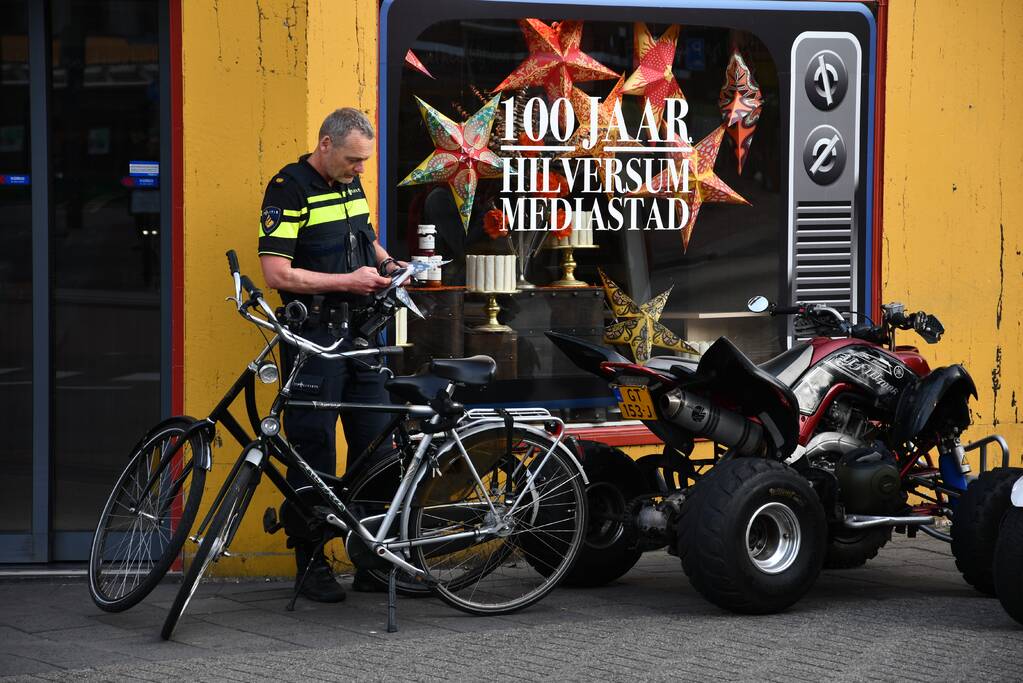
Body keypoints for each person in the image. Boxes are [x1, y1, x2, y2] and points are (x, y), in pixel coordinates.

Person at [258, 108, 401, 603]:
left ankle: (371, 561)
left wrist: (386, 262)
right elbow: (276, 274)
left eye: (364, 161)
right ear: (325, 144)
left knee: (378, 451)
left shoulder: (347, 181)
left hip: (360, 337)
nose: (360, 169)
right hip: (313, 341)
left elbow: (362, 237)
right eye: (353, 159)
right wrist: (348, 281)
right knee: (312, 450)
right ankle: (312, 563)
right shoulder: (288, 188)